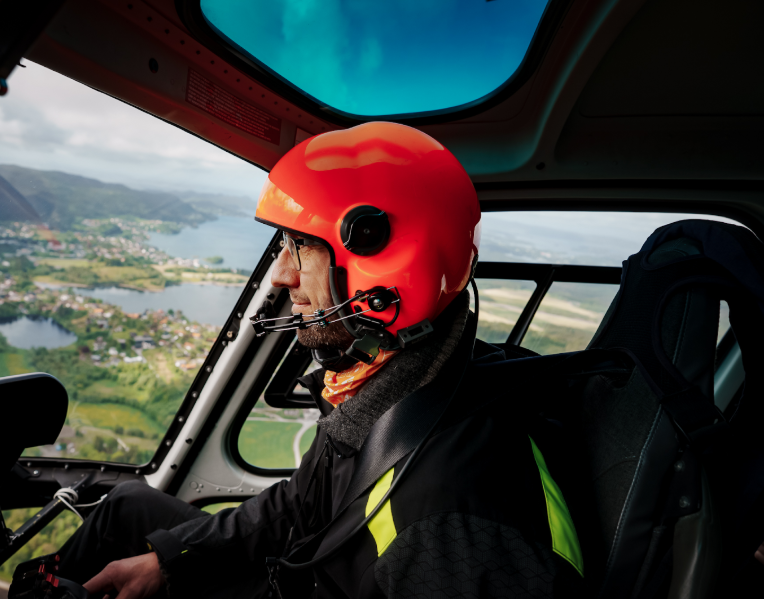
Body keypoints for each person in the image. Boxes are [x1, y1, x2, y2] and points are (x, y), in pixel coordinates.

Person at [58, 122, 584, 598]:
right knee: (126, 507)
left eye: (301, 247)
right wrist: (168, 561)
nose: (282, 275)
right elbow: (300, 503)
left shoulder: (447, 523)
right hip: (305, 573)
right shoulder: (387, 386)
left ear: (386, 266)